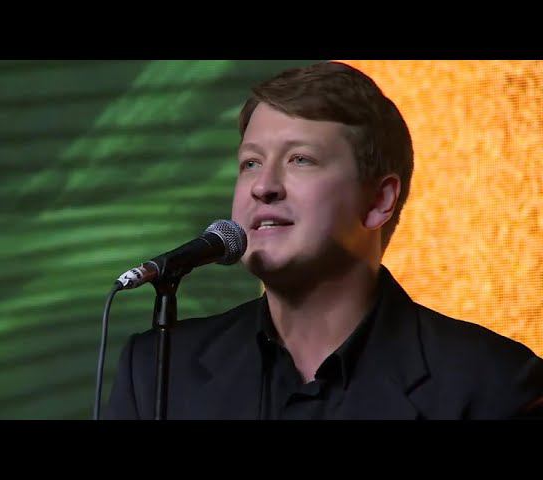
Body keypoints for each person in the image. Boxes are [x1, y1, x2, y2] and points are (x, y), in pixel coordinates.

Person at [105, 61, 543, 419]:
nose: (263, 186)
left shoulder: (494, 385)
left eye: (300, 159)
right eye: (251, 163)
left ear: (379, 201)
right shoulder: (158, 372)